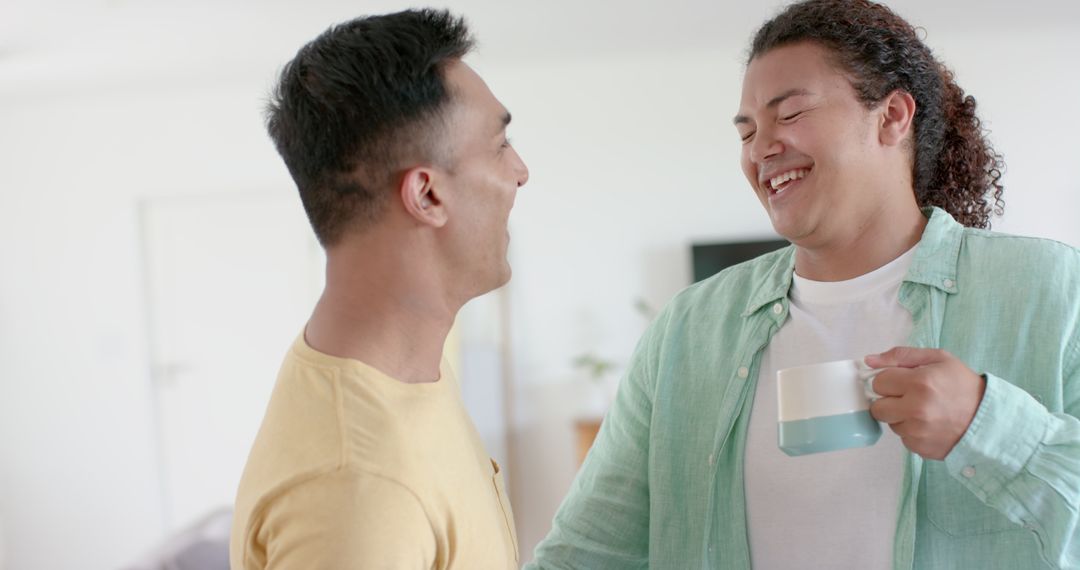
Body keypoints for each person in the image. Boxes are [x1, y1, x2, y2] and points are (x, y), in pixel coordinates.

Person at [527, 1, 1080, 568]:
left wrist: (987, 425)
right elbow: (588, 552)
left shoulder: (1054, 291)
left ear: (892, 116)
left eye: (789, 115)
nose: (761, 148)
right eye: (747, 131)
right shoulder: (687, 331)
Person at [229, 9, 529, 569]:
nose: (521, 171)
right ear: (427, 196)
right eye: (500, 144)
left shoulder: (408, 376)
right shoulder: (356, 489)